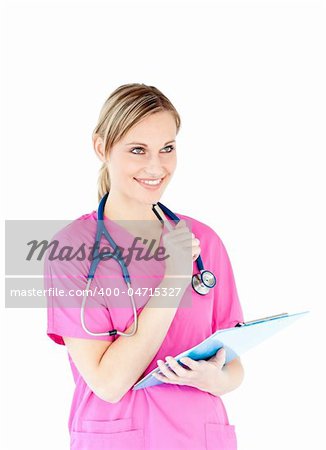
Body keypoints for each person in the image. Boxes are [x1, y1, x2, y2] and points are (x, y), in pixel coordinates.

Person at [44, 83, 245, 450]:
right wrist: (175, 278)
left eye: (167, 148)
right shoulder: (71, 249)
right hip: (119, 439)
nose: (156, 166)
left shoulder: (203, 240)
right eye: (138, 150)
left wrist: (214, 380)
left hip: (202, 436)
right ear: (101, 147)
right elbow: (108, 383)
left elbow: (232, 364)